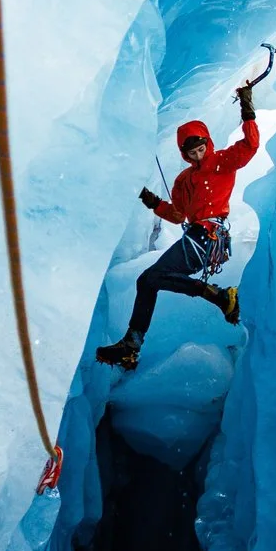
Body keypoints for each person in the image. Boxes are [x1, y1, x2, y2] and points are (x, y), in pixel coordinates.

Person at [94, 80, 259, 369]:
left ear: (207, 142)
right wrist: (149, 199)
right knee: (148, 281)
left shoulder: (223, 161)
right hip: (195, 237)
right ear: (184, 153)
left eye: (200, 148)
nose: (197, 155)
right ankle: (132, 345)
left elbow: (250, 145)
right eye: (191, 152)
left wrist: (247, 105)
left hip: (209, 238)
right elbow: (177, 214)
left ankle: (219, 297)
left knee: (149, 279)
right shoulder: (184, 181)